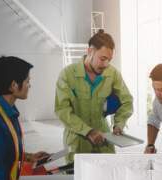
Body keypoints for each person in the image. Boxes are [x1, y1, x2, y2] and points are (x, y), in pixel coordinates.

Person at [55, 29, 133, 162]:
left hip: (104, 140)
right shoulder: (67, 74)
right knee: (77, 179)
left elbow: (127, 101)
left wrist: (118, 124)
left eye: (109, 59)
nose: (106, 64)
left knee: (108, 177)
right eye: (102, 58)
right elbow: (62, 110)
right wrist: (88, 131)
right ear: (90, 51)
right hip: (77, 141)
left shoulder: (113, 74)